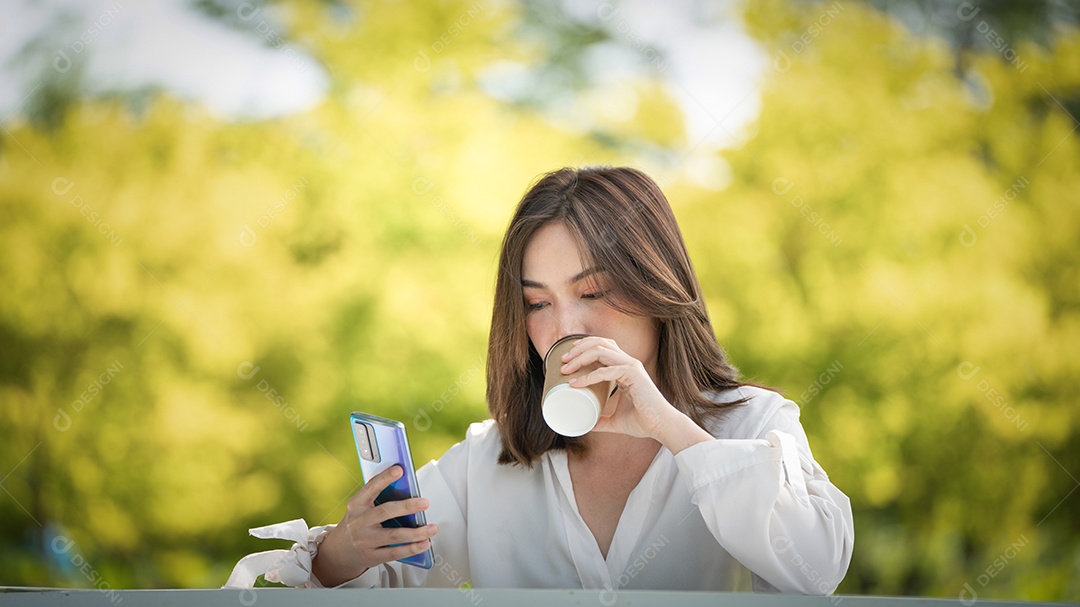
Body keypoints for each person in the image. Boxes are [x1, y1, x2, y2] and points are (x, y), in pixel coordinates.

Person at [225, 166, 854, 594]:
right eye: (538, 302)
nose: (564, 328)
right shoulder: (491, 457)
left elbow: (815, 567)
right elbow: (388, 581)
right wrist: (345, 551)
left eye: (592, 292)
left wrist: (669, 426)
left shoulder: (754, 425)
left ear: (658, 289)